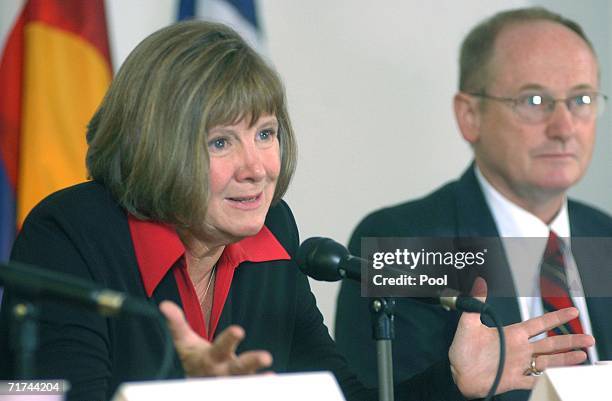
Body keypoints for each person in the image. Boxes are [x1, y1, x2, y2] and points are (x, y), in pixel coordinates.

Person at [0, 20, 593, 401]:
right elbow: (49, 392)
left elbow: (340, 395)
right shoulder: (71, 232)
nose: (257, 167)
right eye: (220, 142)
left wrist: (452, 383)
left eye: (264, 134)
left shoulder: (273, 233)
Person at [335, 7, 612, 401]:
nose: (564, 128)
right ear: (470, 115)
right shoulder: (404, 247)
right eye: (534, 100)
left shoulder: (605, 238)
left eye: (581, 99)